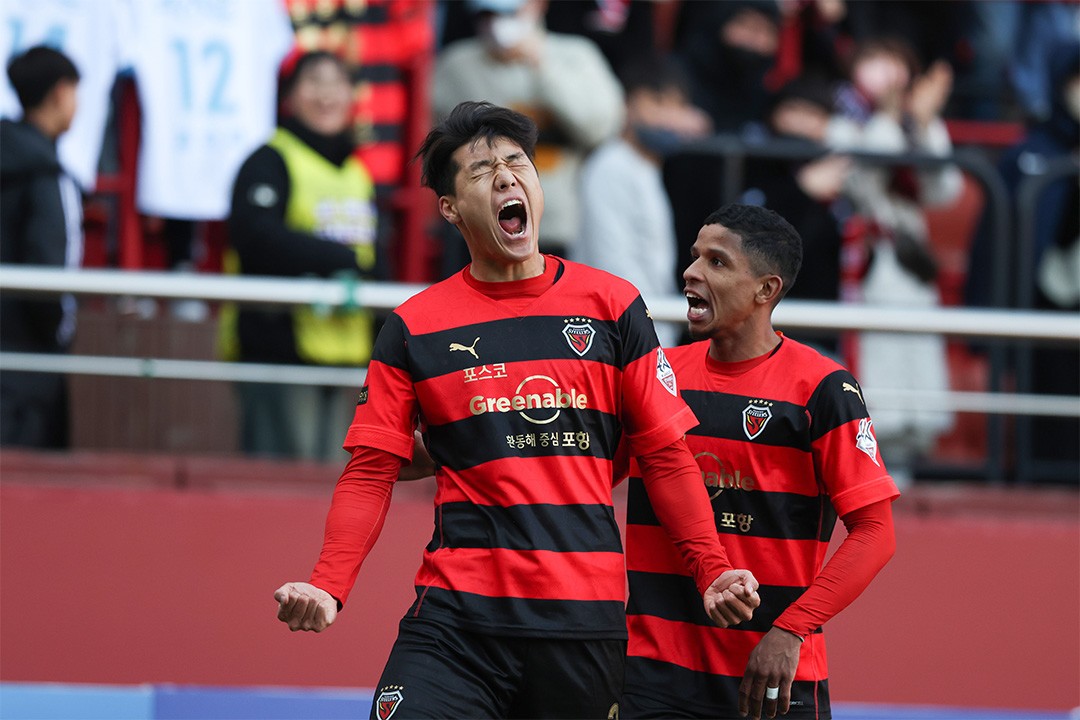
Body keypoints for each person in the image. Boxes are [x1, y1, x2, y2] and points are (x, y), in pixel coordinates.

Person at [274, 101, 761, 720]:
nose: (506, 177)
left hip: (583, 623)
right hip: (456, 621)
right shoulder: (414, 327)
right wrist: (327, 584)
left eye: (517, 163)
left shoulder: (613, 305)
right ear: (450, 209)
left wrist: (712, 568)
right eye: (482, 171)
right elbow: (372, 468)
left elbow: (664, 456)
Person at [621, 204, 900, 720]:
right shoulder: (657, 376)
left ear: (765, 290)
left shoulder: (824, 388)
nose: (692, 272)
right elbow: (586, 469)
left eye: (717, 262)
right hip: (652, 674)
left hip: (772, 678)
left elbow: (876, 531)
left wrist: (793, 629)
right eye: (694, 257)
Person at [222, 50, 380, 462]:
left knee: (334, 491)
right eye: (314, 82)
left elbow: (374, 259)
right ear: (289, 95)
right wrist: (338, 258)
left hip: (346, 355)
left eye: (337, 83)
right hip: (279, 350)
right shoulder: (269, 160)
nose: (326, 94)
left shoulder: (357, 172)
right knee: (280, 484)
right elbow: (255, 235)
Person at [825, 36, 962, 483]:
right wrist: (887, 121)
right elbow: (863, 183)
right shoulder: (844, 119)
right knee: (875, 354)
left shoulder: (915, 121)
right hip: (865, 258)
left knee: (914, 351)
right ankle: (866, 456)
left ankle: (906, 454)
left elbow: (944, 190)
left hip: (909, 258)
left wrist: (921, 125)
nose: (887, 73)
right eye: (875, 60)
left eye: (897, 64)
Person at [432, 0, 624, 263]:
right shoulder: (458, 64)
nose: (496, 23)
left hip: (561, 228)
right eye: (487, 14)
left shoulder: (576, 55)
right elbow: (443, 147)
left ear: (538, 6)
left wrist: (541, 65)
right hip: (481, 231)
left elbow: (599, 129)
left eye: (510, 12)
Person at [573, 53, 711, 347]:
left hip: (648, 333)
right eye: (658, 103)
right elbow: (610, 265)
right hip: (619, 336)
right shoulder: (610, 166)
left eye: (678, 106)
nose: (669, 117)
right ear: (628, 105)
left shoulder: (647, 167)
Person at [0, 45, 82, 449]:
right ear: (60, 93)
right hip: (25, 362)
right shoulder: (44, 173)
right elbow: (46, 267)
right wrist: (52, 332)